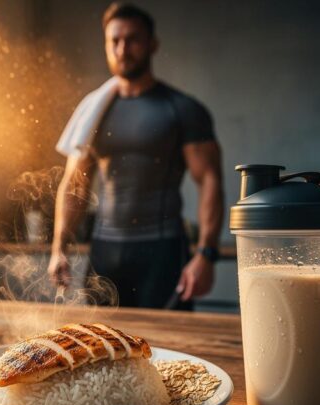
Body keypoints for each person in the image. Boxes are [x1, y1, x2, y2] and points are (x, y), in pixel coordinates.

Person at [48, 2, 224, 309]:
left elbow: (209, 180)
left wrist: (205, 254)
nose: (122, 49)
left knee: (171, 347)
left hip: (162, 253)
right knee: (100, 345)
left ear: (152, 44)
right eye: (114, 41)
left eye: (133, 39)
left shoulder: (181, 109)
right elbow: (75, 184)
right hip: (105, 252)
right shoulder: (93, 111)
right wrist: (58, 248)